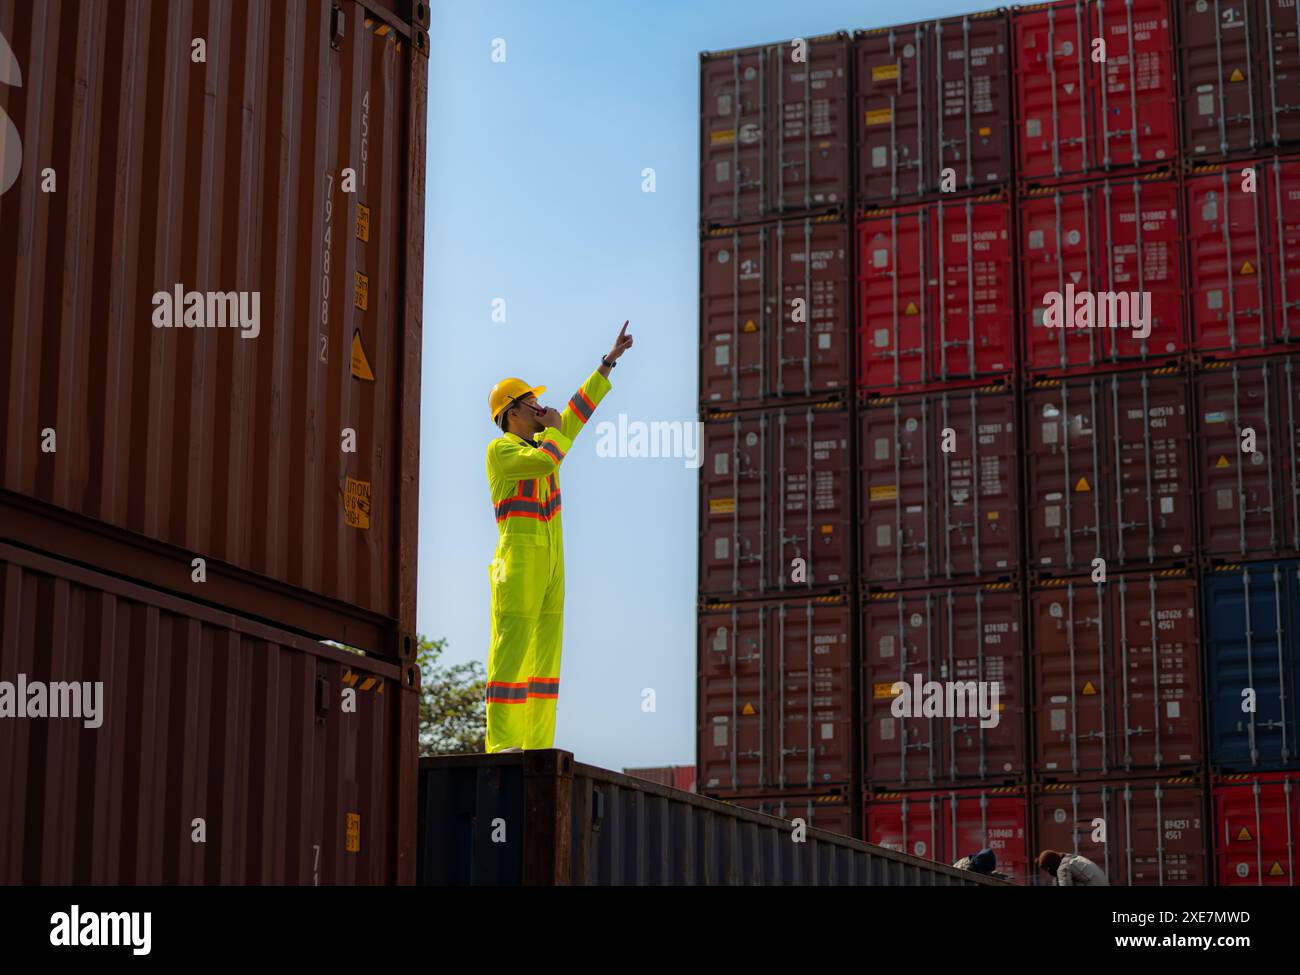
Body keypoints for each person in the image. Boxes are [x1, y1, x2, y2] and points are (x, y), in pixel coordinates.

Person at [483, 322, 634, 753]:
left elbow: (576, 412)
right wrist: (553, 429)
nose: (541, 407)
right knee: (511, 652)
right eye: (532, 403)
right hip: (519, 563)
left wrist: (607, 362)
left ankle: (536, 743)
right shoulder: (504, 452)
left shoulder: (544, 442)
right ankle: (503, 743)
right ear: (513, 413)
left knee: (545, 661)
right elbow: (550, 458)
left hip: (551, 564)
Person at [1037, 849, 1109, 886]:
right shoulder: (1070, 857)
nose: (1049, 872)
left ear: (1051, 865)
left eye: (1048, 869)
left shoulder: (1063, 868)